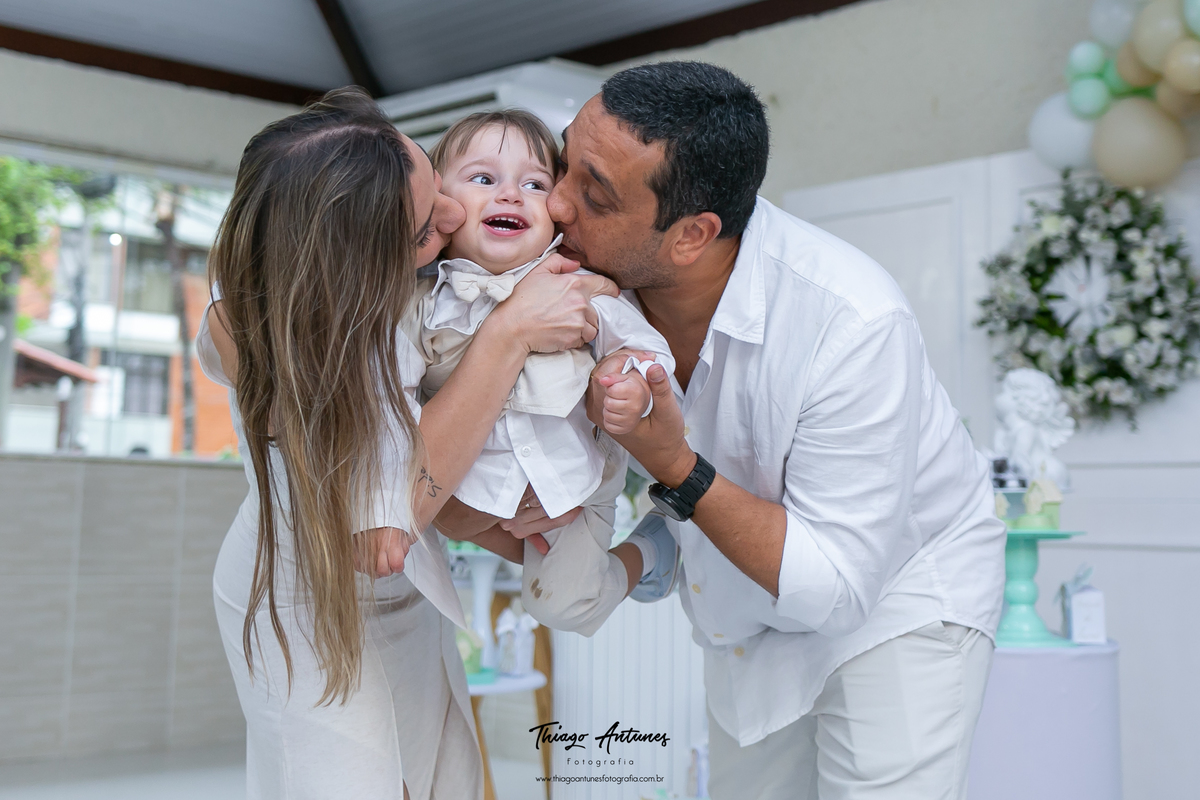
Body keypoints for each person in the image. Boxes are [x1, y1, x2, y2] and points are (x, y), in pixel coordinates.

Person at [567, 62, 1005, 800]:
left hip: (894, 605)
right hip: (748, 606)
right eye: (563, 165)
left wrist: (673, 465)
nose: (555, 203)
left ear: (691, 235)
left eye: (594, 194)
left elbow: (837, 585)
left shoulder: (853, 321)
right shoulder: (595, 288)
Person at [198, 87, 616, 800]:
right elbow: (390, 524)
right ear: (353, 261)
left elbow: (439, 497)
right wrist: (510, 332)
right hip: (306, 602)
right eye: (425, 230)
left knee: (440, 782)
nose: (453, 218)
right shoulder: (259, 331)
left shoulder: (422, 288)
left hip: (408, 592)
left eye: (435, 185)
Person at [413, 109, 672, 635]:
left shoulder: (575, 287)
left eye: (534, 185)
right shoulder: (419, 305)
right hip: (477, 490)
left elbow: (645, 349)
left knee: (562, 608)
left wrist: (631, 380)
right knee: (536, 586)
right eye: (483, 179)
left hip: (579, 476)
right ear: (441, 205)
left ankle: (652, 550)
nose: (511, 195)